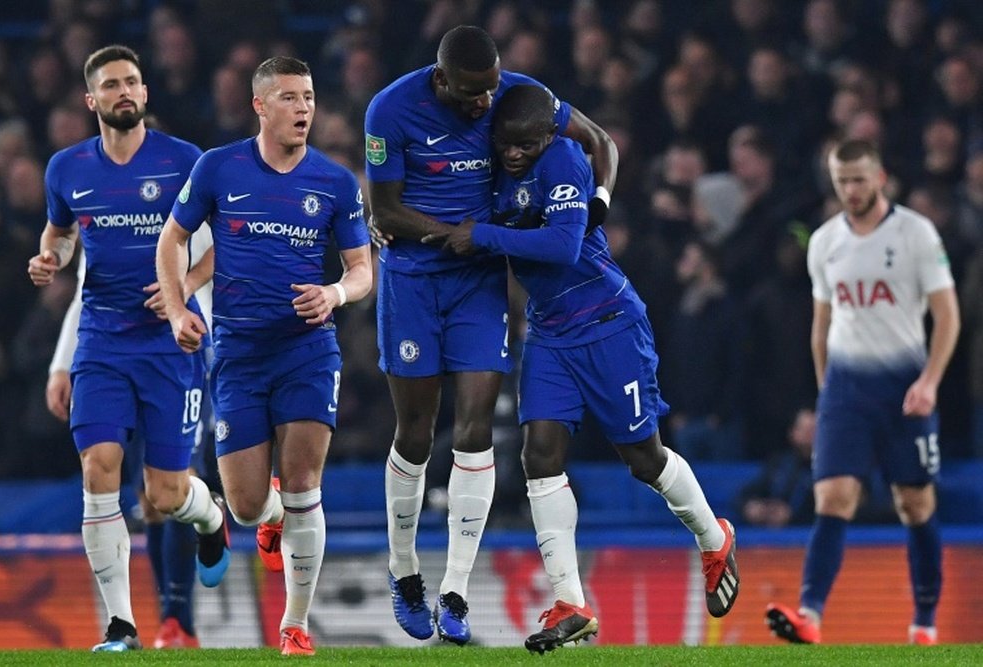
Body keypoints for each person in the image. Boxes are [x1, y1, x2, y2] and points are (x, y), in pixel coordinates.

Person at [422, 84, 740, 653]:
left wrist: (484, 236)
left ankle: (714, 538)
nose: (513, 155)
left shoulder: (564, 159)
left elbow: (566, 245)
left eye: (525, 147)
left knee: (643, 458)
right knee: (538, 454)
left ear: (546, 137)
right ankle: (571, 600)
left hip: (608, 323)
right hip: (549, 331)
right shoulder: (500, 132)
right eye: (506, 145)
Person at [364, 24, 617, 645]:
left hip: (480, 282)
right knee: (416, 433)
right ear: (442, 79)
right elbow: (385, 210)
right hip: (414, 282)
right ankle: (402, 570)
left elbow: (600, 141)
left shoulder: (518, 96)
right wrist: (458, 232)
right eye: (474, 94)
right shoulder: (389, 110)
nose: (486, 104)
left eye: (493, 88)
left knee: (477, 426)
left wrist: (600, 204)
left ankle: (454, 590)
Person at [155, 56, 372, 656]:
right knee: (248, 509)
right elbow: (171, 241)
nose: (304, 108)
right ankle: (267, 510)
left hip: (307, 349)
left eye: (309, 97)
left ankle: (295, 625)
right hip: (238, 353)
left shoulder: (335, 182)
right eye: (289, 98)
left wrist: (332, 293)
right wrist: (179, 312)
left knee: (306, 483)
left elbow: (362, 272)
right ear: (259, 105)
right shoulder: (218, 168)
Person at [25, 45, 229, 652]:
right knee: (98, 469)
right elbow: (61, 234)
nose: (124, 92)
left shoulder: (185, 162)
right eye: (111, 84)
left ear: (144, 93)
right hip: (102, 339)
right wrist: (49, 259)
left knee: (165, 496)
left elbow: (223, 246)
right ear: (92, 99)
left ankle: (212, 517)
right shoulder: (66, 168)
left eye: (132, 82)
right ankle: (121, 625)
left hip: (171, 343)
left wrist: (179, 291)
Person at [766, 139, 961, 646]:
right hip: (847, 392)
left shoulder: (915, 233)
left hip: (905, 389)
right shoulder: (825, 242)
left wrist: (930, 382)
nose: (850, 190)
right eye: (841, 181)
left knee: (915, 504)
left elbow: (947, 315)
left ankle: (924, 622)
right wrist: (826, 388)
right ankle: (810, 614)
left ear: (880, 177)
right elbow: (821, 323)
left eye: (858, 179)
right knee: (833, 497)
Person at [47, 235, 214, 649]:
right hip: (113, 356)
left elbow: (226, 251)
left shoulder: (185, 184)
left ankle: (181, 619)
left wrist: (184, 290)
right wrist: (61, 364)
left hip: (184, 352)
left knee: (174, 485)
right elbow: (87, 293)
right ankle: (158, 621)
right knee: (149, 499)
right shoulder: (105, 205)